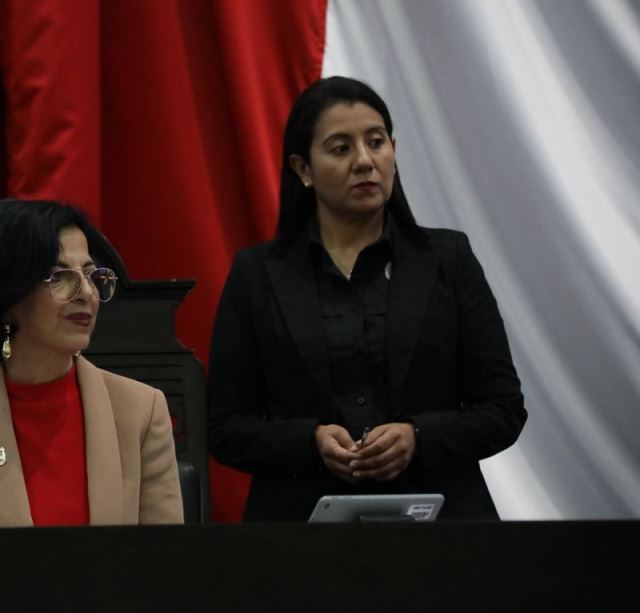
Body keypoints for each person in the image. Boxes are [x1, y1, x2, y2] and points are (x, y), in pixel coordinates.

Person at [207, 77, 527, 521]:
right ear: (303, 169)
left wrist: (418, 436)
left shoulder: (449, 259)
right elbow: (224, 428)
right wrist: (309, 441)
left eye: (376, 143)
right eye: (341, 149)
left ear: (393, 150)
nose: (364, 161)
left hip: (443, 524)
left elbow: (503, 410)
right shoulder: (256, 274)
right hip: (297, 529)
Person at [0, 199, 184, 528]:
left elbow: (166, 556)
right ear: (6, 294)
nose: (87, 293)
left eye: (91, 275)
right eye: (59, 276)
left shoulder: (142, 411)